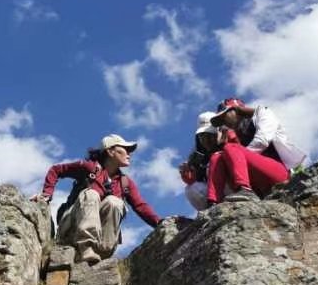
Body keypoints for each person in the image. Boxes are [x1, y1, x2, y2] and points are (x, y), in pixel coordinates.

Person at [31, 134, 162, 265]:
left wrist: (159, 222)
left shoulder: (125, 183)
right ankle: (86, 247)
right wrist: (46, 194)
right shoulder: (89, 168)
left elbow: (140, 205)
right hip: (71, 232)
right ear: (110, 151)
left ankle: (102, 252)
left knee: (114, 202)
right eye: (124, 149)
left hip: (101, 245)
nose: (129, 154)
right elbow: (56, 170)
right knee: (92, 194)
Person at [205, 98, 306, 205]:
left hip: (280, 174)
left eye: (225, 116)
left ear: (235, 110)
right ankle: (213, 202)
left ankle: (244, 190)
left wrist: (235, 151)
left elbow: (262, 141)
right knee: (217, 157)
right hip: (258, 183)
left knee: (230, 148)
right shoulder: (235, 134)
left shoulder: (263, 114)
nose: (224, 121)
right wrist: (224, 149)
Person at [179, 111, 227, 211]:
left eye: (210, 135)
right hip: (216, 194)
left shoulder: (230, 142)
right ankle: (211, 213)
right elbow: (200, 180)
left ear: (219, 131)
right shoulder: (197, 156)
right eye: (202, 136)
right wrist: (191, 176)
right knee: (190, 189)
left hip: (233, 187)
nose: (206, 140)